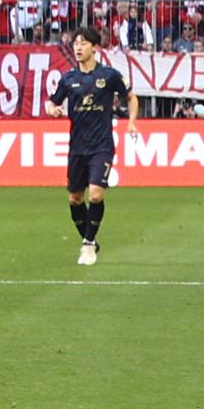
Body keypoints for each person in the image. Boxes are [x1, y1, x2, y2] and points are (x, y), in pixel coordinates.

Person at [51, 31, 133, 266]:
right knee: (75, 199)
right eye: (75, 43)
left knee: (96, 194)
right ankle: (90, 239)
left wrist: (133, 121)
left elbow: (130, 96)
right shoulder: (68, 79)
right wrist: (52, 110)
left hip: (102, 145)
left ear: (94, 47)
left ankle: (87, 244)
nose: (78, 48)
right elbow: (52, 102)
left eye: (83, 43)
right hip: (77, 147)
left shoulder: (108, 76)